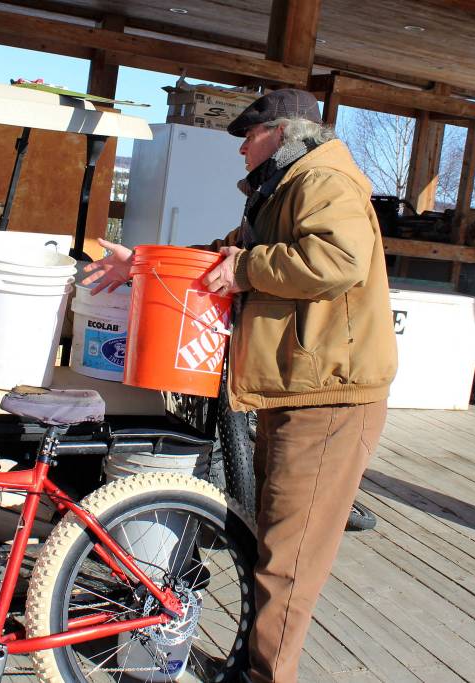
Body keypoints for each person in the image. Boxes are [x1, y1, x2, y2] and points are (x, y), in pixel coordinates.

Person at [82, 88, 398, 682]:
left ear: (282, 133)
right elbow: (222, 257)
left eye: (249, 137)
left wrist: (247, 269)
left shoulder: (322, 180)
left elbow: (338, 261)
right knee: (271, 543)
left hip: (329, 397)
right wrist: (141, 263)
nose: (241, 149)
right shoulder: (287, 184)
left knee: (288, 558)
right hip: (299, 388)